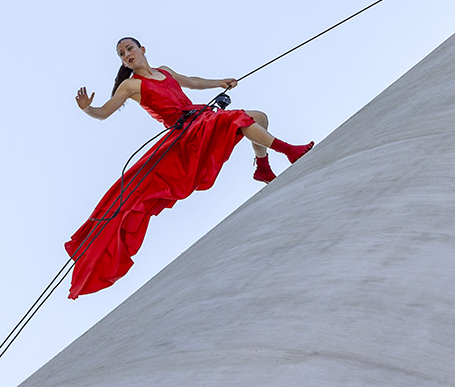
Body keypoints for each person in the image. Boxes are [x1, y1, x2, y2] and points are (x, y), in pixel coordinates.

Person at [65, 36, 314, 298]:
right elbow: (104, 113)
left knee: (259, 118)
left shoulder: (164, 71)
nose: (127, 54)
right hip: (186, 133)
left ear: (142, 49)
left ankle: (262, 168)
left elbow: (192, 83)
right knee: (238, 120)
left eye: (129, 48)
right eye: (121, 53)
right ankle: (289, 151)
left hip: (200, 115)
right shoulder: (131, 85)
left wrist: (219, 82)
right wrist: (87, 109)